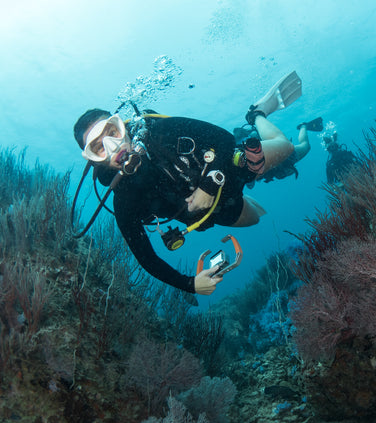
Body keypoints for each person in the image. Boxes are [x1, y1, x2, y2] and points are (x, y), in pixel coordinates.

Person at [72, 72, 304, 297]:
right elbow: (146, 258)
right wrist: (190, 284)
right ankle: (258, 176)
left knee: (287, 148)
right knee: (255, 218)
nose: (114, 146)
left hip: (227, 167)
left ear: (121, 125)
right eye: (99, 146)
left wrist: (208, 186)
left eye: (112, 132)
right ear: (93, 159)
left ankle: (257, 115)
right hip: (215, 211)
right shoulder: (124, 199)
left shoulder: (159, 130)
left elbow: (221, 138)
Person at [233, 116, 323, 183]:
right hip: (282, 155)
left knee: (304, 146)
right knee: (304, 145)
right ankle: (303, 126)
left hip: (280, 158)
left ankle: (303, 126)